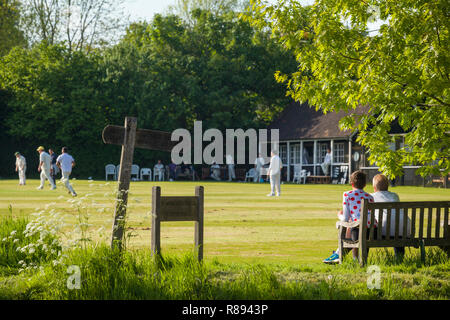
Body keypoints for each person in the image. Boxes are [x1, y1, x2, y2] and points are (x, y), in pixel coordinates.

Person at [323, 170, 376, 263]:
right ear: (364, 184)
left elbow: (346, 218)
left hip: (357, 231)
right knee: (355, 224)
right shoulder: (370, 197)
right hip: (373, 231)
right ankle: (341, 254)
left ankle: (344, 256)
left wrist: (339, 215)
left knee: (352, 225)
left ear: (351, 183)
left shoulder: (347, 194)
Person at [372, 174, 410, 259]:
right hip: (404, 232)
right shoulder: (395, 196)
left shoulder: (371, 197)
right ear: (388, 186)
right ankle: (399, 259)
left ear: (374, 187)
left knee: (388, 226)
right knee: (397, 226)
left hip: (386, 232)